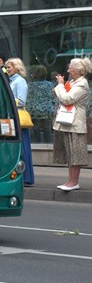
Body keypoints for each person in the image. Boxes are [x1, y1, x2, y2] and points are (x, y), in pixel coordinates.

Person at [52, 58, 92, 192]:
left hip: (75, 123)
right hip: (68, 121)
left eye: (70, 68)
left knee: (75, 154)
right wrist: (62, 86)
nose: (68, 70)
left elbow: (67, 99)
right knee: (70, 153)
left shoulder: (82, 83)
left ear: (77, 70)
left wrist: (60, 85)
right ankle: (70, 181)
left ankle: (74, 182)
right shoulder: (74, 82)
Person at [5, 58, 34, 187]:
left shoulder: (20, 81)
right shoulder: (12, 81)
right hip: (12, 117)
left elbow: (21, 101)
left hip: (17, 117)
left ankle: (25, 176)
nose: (7, 69)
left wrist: (7, 102)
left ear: (17, 67)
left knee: (22, 147)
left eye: (9, 67)